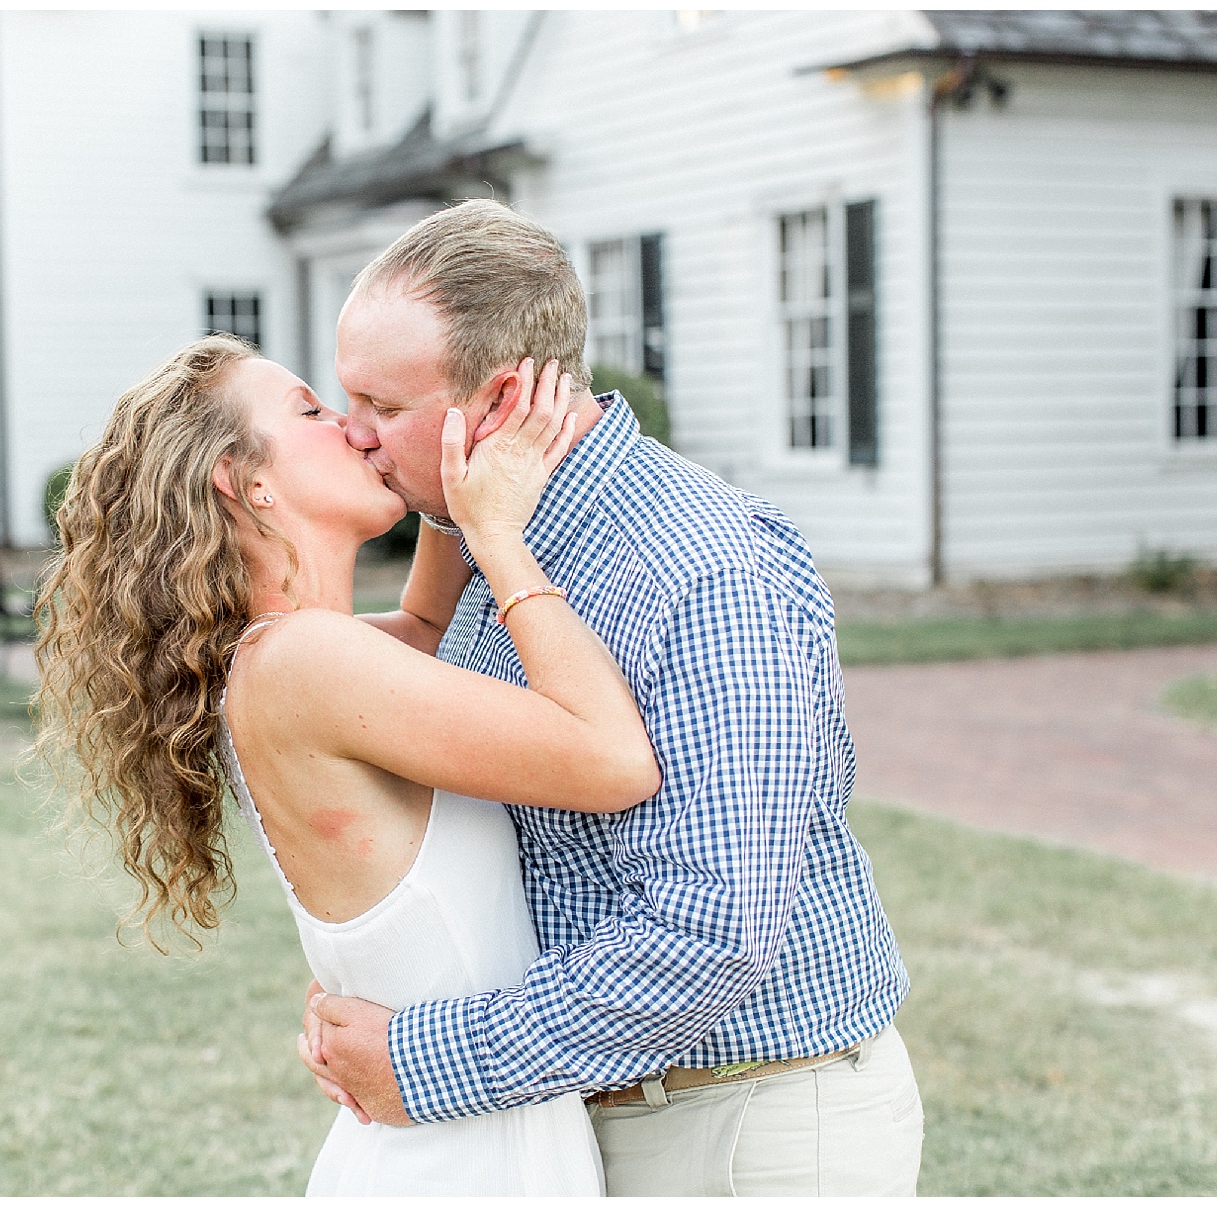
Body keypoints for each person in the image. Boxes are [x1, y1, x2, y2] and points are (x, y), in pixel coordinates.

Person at [299, 199, 925, 1196]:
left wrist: (420, 1059)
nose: (354, 434)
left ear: (498, 404)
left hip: (748, 1124)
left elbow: (709, 934)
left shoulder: (704, 573)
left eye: (382, 406)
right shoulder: (483, 529)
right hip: (591, 1115)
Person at [29, 333, 662, 1194]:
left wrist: (450, 442)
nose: (358, 430)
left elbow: (430, 629)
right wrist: (500, 537)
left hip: (455, 1143)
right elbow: (615, 759)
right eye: (313, 412)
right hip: (462, 1163)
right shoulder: (307, 665)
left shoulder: (291, 659)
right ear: (244, 481)